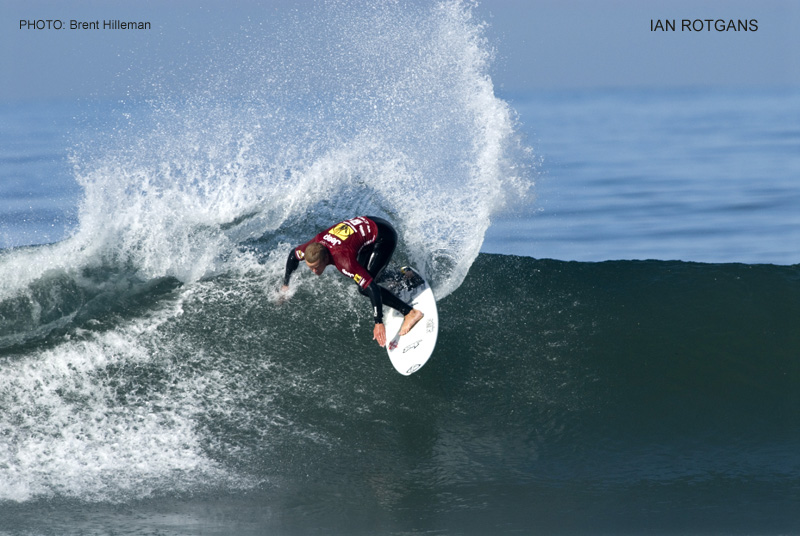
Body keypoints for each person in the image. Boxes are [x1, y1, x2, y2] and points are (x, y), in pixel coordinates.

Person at [281, 216, 424, 347]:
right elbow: (293, 256)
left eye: (316, 267)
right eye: (310, 267)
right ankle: (405, 276)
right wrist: (286, 284)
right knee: (367, 273)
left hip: (383, 236)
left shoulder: (343, 261)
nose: (314, 271)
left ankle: (410, 312)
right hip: (370, 227)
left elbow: (372, 288)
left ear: (326, 259)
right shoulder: (310, 248)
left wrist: (378, 322)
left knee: (364, 287)